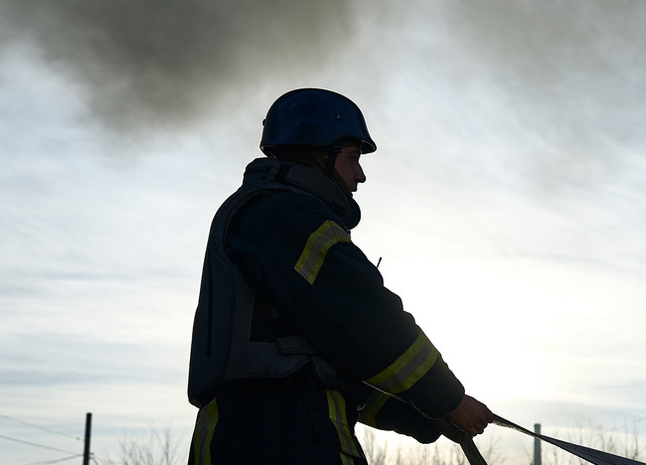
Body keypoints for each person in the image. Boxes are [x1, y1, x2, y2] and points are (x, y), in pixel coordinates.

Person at [187, 88, 493, 465]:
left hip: (255, 433)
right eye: (353, 158)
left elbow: (341, 361)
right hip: (287, 436)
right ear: (319, 154)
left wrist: (427, 414)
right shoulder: (285, 214)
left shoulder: (268, 218)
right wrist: (448, 398)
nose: (360, 176)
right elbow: (362, 317)